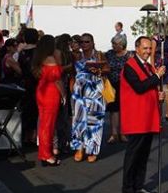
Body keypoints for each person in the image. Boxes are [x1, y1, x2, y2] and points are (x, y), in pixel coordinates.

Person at [120, 36, 165, 193]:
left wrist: (159, 95)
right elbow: (139, 87)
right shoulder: (129, 66)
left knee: (143, 156)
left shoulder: (147, 66)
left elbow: (149, 87)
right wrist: (157, 77)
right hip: (136, 117)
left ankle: (139, 186)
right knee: (133, 156)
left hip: (147, 116)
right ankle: (128, 190)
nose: (147, 52)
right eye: (145, 48)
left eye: (149, 49)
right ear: (137, 48)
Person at [71, 33, 110, 163]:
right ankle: (79, 148)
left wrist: (98, 71)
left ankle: (92, 150)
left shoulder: (99, 54)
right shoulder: (76, 56)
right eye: (82, 42)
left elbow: (107, 69)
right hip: (79, 93)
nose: (84, 44)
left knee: (95, 122)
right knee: (78, 120)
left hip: (96, 92)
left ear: (93, 42)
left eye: (87, 42)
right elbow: (71, 73)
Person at [32, 34, 65, 167]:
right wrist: (63, 95)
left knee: (44, 123)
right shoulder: (51, 58)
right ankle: (47, 155)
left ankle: (44, 153)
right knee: (48, 125)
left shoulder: (39, 58)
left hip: (41, 91)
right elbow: (57, 80)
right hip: (51, 93)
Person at [105, 34, 132, 143]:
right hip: (112, 84)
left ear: (122, 45)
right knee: (113, 109)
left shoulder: (129, 55)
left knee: (125, 109)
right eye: (112, 44)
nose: (113, 46)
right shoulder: (109, 54)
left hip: (126, 84)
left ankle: (123, 132)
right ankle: (114, 134)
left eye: (115, 44)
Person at [18, 28, 40, 146]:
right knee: (36, 110)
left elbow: (19, 68)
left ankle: (26, 136)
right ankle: (35, 135)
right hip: (37, 82)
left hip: (25, 83)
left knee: (26, 110)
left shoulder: (21, 52)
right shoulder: (38, 52)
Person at [151, 32, 168, 123]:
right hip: (158, 67)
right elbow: (152, 55)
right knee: (159, 92)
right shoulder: (155, 39)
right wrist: (153, 68)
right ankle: (157, 115)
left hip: (167, 68)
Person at [54, 34, 74, 155]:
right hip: (60, 86)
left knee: (65, 117)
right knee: (62, 117)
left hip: (65, 85)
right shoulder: (59, 53)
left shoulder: (66, 53)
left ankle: (64, 142)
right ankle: (62, 143)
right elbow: (57, 70)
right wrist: (69, 66)